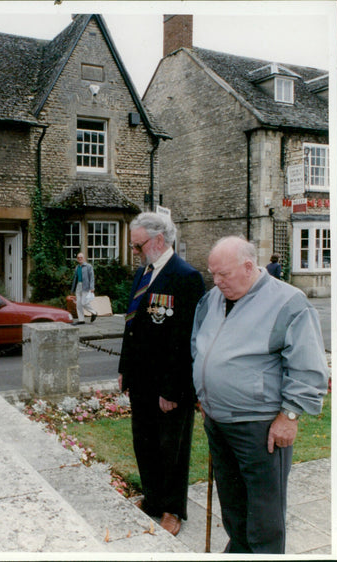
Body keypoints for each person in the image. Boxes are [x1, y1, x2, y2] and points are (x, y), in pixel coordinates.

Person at [191, 236, 327, 554]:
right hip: (218, 421)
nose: (216, 281)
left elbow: (308, 366)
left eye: (223, 274)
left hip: (260, 427)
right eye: (213, 273)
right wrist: (204, 392)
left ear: (249, 267)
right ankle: (239, 550)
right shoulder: (211, 299)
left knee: (264, 515)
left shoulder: (289, 302)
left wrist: (290, 415)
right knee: (233, 505)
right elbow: (199, 344)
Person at [118, 212, 205, 536]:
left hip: (169, 384)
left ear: (157, 240)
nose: (135, 252)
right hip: (141, 380)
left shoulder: (185, 277)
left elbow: (185, 340)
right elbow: (132, 326)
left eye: (137, 246)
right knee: (144, 442)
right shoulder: (144, 273)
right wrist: (125, 370)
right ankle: (153, 500)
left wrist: (173, 389)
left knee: (172, 447)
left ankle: (173, 509)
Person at [70, 253, 98, 324]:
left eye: (81, 257)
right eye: (78, 257)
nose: (80, 259)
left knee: (84, 302)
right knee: (78, 304)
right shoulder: (77, 267)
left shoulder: (88, 266)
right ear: (77, 259)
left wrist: (92, 287)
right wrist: (72, 289)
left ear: (84, 258)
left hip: (86, 286)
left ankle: (94, 312)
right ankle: (81, 320)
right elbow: (75, 279)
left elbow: (91, 277)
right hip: (78, 286)